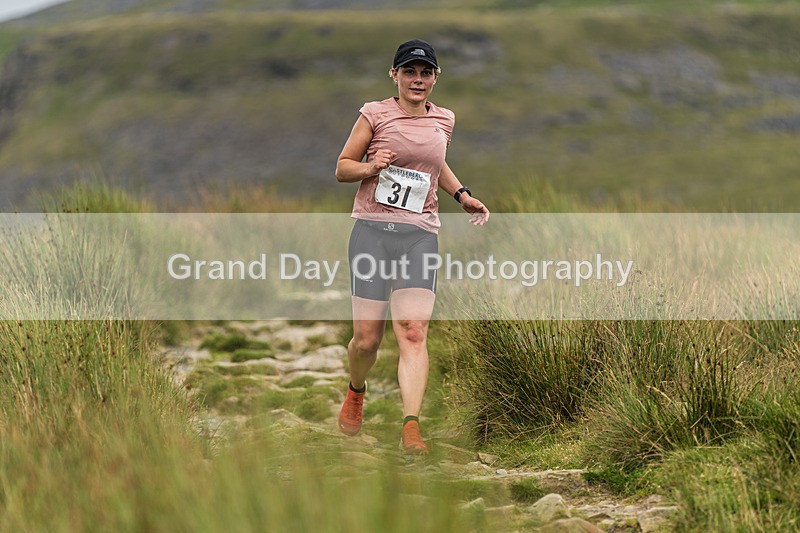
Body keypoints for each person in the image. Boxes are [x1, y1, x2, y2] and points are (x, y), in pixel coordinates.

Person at [334, 39, 490, 454]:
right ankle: (356, 389)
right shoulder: (375, 113)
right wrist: (371, 166)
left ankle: (411, 427)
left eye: (425, 73)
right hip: (371, 233)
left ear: (435, 78)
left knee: (414, 332)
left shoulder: (445, 120)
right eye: (409, 72)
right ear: (395, 75)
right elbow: (342, 168)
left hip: (420, 235)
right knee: (367, 340)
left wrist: (462, 195)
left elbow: (434, 165)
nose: (417, 80)